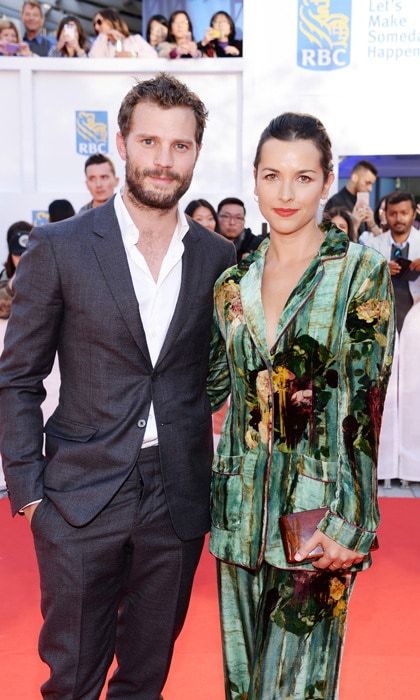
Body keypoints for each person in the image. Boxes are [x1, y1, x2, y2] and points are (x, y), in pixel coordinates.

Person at [0, 72, 235, 699]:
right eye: (150, 142)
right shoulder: (60, 247)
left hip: (177, 497)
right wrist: (27, 490)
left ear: (195, 153)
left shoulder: (217, 258)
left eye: (180, 146)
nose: (164, 160)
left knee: (145, 679)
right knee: (72, 680)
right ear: (123, 143)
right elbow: (18, 377)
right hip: (79, 496)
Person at [207, 112, 395, 699]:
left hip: (316, 520)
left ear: (327, 179)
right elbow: (212, 388)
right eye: (271, 176)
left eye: (304, 177)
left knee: (296, 689)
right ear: (255, 180)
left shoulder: (360, 273)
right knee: (243, 686)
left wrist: (354, 521)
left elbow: (367, 402)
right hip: (239, 514)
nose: (285, 194)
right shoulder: (231, 282)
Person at [363, 190, 420, 333]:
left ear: (414, 214)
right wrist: (379, 271)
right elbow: (360, 282)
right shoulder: (373, 245)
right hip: (382, 321)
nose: (398, 218)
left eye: (404, 213)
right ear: (385, 215)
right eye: (393, 213)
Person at [324, 159, 378, 236]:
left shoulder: (361, 203)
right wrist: (353, 225)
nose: (370, 189)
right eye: (367, 183)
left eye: (371, 184)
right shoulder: (335, 202)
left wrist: (372, 224)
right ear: (354, 177)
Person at [89, 8, 156, 58]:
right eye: (94, 24)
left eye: (99, 22)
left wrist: (131, 55)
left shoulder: (135, 39)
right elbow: (93, 60)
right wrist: (103, 36)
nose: (96, 27)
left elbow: (153, 56)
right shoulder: (102, 45)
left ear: (111, 20)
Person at [0, 228, 30, 319]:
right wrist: (10, 289)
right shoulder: (5, 277)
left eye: (27, 254)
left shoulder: (49, 275)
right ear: (11, 256)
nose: (22, 258)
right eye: (18, 254)